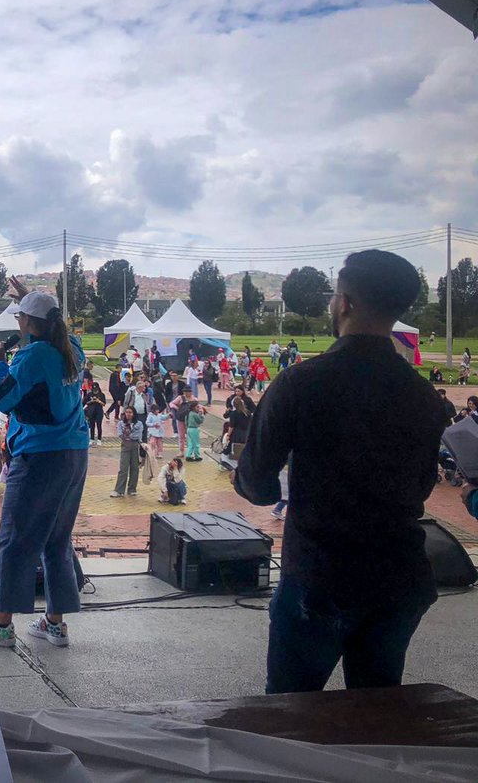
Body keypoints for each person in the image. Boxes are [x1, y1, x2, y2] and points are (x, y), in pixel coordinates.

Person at [234, 250, 447, 694]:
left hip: (321, 574)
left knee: (292, 713)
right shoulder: (424, 395)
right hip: (399, 577)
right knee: (375, 713)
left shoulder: (300, 383)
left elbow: (255, 484)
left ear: (344, 302)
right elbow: (425, 484)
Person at [0, 285, 88, 650]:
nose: (16, 322)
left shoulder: (32, 357)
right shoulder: (72, 348)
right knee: (56, 540)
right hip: (74, 453)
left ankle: (0, 624)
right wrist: (30, 295)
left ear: (30, 323)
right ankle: (55, 622)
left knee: (15, 539)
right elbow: (55, 320)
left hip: (39, 457)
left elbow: (2, 398)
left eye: (19, 316)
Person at [111, 406, 143, 497]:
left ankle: (132, 489)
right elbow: (120, 434)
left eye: (130, 412)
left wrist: (128, 435)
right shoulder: (121, 423)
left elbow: (138, 435)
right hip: (125, 445)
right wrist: (128, 435)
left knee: (135, 468)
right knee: (123, 468)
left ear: (134, 413)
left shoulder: (139, 423)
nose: (128, 414)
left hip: (135, 446)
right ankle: (119, 490)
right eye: (127, 412)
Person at [182, 396, 207, 461]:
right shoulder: (194, 414)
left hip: (189, 429)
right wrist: (201, 414)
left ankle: (189, 455)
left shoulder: (189, 413)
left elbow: (185, 421)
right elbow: (200, 421)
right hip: (194, 429)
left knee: (190, 443)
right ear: (193, 408)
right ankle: (197, 456)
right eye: (197, 407)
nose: (198, 408)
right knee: (196, 443)